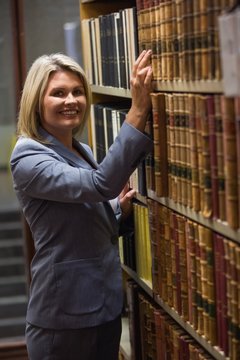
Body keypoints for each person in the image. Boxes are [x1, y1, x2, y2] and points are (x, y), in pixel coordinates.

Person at [10, 50, 153, 360]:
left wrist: (118, 214)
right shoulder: (27, 158)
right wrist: (138, 111)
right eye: (58, 93)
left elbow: (80, 224)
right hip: (64, 318)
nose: (70, 100)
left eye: (77, 91)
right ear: (37, 100)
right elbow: (101, 185)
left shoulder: (81, 148)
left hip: (102, 307)